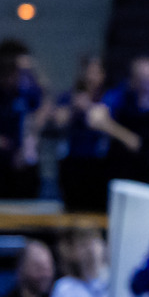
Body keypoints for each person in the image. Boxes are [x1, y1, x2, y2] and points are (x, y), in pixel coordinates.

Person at [0, 40, 44, 200]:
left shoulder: (28, 92)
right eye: (4, 72)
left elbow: (42, 108)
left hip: (23, 160)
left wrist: (32, 70)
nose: (8, 79)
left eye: (12, 72)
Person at [50, 56, 116, 212]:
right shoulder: (68, 97)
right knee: (71, 210)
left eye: (94, 73)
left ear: (102, 75)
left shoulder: (110, 98)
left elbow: (102, 121)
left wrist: (88, 107)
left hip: (98, 163)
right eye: (87, 72)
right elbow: (58, 120)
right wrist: (74, 107)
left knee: (97, 210)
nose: (89, 77)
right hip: (72, 163)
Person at [103, 56, 149, 185]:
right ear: (133, 80)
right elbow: (96, 118)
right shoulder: (121, 97)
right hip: (121, 167)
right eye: (144, 79)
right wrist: (127, 137)